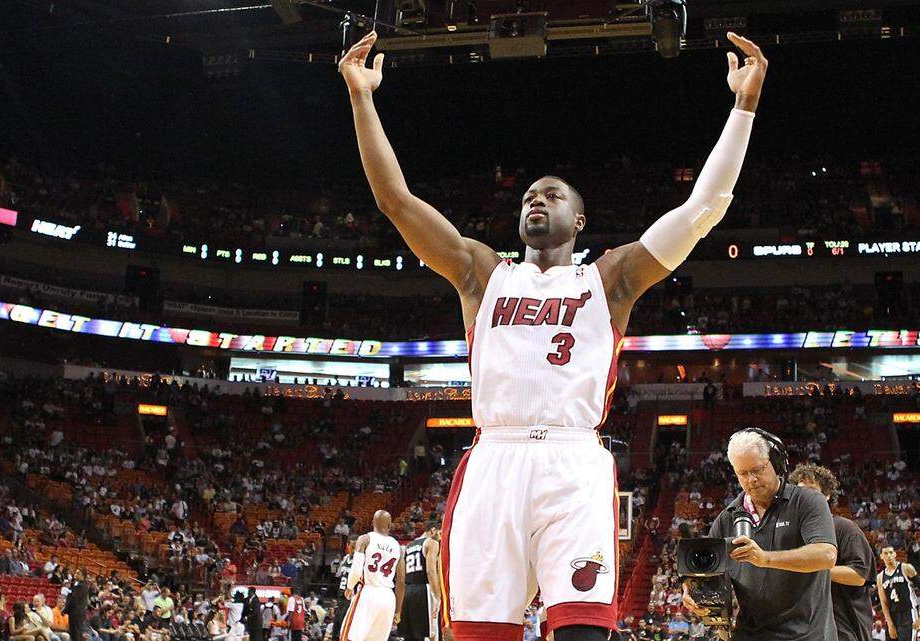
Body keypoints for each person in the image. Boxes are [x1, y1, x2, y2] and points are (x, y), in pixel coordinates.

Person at [338, 22, 766, 641]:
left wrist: (743, 105)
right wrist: (361, 96)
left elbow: (703, 208)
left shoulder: (610, 279)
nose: (537, 199)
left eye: (554, 194)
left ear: (579, 218)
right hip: (494, 458)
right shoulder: (481, 272)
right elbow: (395, 201)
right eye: (530, 195)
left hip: (572, 460)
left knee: (583, 630)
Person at [683, 429, 838, 640]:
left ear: (776, 462)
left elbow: (826, 555)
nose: (751, 479)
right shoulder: (726, 518)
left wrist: (765, 558)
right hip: (750, 634)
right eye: (743, 473)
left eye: (757, 469)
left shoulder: (808, 501)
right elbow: (710, 576)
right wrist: (694, 592)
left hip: (807, 634)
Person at [789, 463, 875, 641]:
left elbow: (859, 575)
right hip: (806, 628)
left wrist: (810, 568)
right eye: (799, 491)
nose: (804, 496)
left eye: (812, 490)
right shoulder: (793, 533)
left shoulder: (844, 527)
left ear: (827, 495)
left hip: (842, 629)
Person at [339, 511, 405, 641]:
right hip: (388, 597)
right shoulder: (398, 547)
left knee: (350, 637)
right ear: (389, 525)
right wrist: (398, 609)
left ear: (372, 523)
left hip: (368, 592)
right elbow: (401, 581)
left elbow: (357, 570)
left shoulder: (365, 539)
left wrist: (350, 587)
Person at [398, 523, 443, 641]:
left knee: (410, 636)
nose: (440, 537)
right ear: (433, 531)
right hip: (424, 590)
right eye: (439, 533)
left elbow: (401, 575)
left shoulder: (408, 546)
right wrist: (437, 596)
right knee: (430, 635)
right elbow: (430, 571)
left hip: (407, 592)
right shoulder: (431, 543)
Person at [876, 547, 920, 641]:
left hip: (908, 613)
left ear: (895, 554)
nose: (889, 556)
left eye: (891, 552)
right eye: (886, 553)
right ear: (881, 556)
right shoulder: (880, 577)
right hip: (892, 616)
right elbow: (884, 603)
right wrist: (890, 623)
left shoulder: (906, 568)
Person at [331, 544, 355, 641]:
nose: (352, 549)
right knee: (336, 625)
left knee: (344, 625)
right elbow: (338, 575)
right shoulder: (345, 558)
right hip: (341, 595)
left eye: (354, 547)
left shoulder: (360, 561)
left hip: (350, 597)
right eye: (351, 546)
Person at [68, 569, 93, 641]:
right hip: (77, 612)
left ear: (83, 576)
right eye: (75, 572)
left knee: (76, 634)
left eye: (78, 573)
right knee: (75, 634)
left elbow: (74, 600)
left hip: (77, 613)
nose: (75, 574)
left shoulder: (81, 586)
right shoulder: (78, 584)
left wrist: (66, 609)